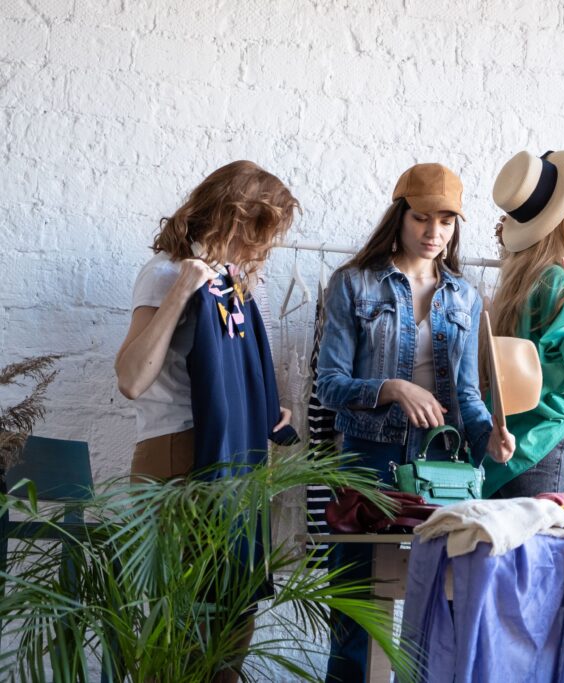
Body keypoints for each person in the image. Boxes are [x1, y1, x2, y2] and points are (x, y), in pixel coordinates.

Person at [315, 162, 515, 682]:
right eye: (423, 218)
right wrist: (392, 388)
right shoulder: (354, 285)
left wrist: (489, 437)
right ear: (400, 216)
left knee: (443, 608)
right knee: (357, 611)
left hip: (442, 470)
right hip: (369, 463)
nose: (434, 233)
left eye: (446, 222)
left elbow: (468, 399)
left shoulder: (465, 298)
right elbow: (328, 386)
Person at [115, 160, 299, 682]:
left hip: (230, 459)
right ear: (227, 217)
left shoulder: (233, 285)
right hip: (178, 457)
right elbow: (131, 378)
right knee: (179, 633)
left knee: (229, 626)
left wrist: (259, 408)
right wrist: (181, 291)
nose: (261, 249)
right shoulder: (168, 273)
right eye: (257, 232)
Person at [485, 150, 564, 498]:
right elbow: (555, 370)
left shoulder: (525, 281)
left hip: (513, 446)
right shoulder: (558, 282)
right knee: (544, 551)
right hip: (541, 449)